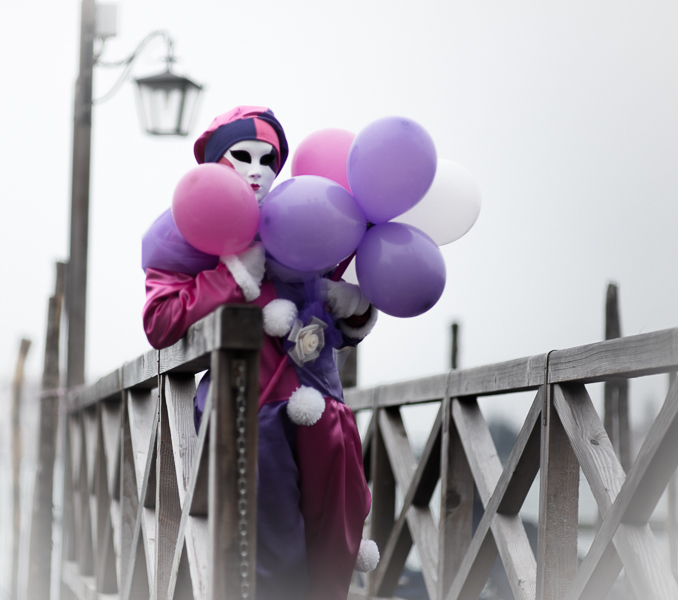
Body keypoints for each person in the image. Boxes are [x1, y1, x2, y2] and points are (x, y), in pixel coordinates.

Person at [142, 106, 379, 600]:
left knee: (337, 542)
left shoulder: (303, 221)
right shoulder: (191, 233)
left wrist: (351, 306)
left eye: (268, 160)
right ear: (215, 166)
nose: (256, 171)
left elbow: (333, 326)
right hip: (251, 415)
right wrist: (230, 277)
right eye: (242, 156)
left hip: (324, 409)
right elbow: (160, 321)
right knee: (273, 557)